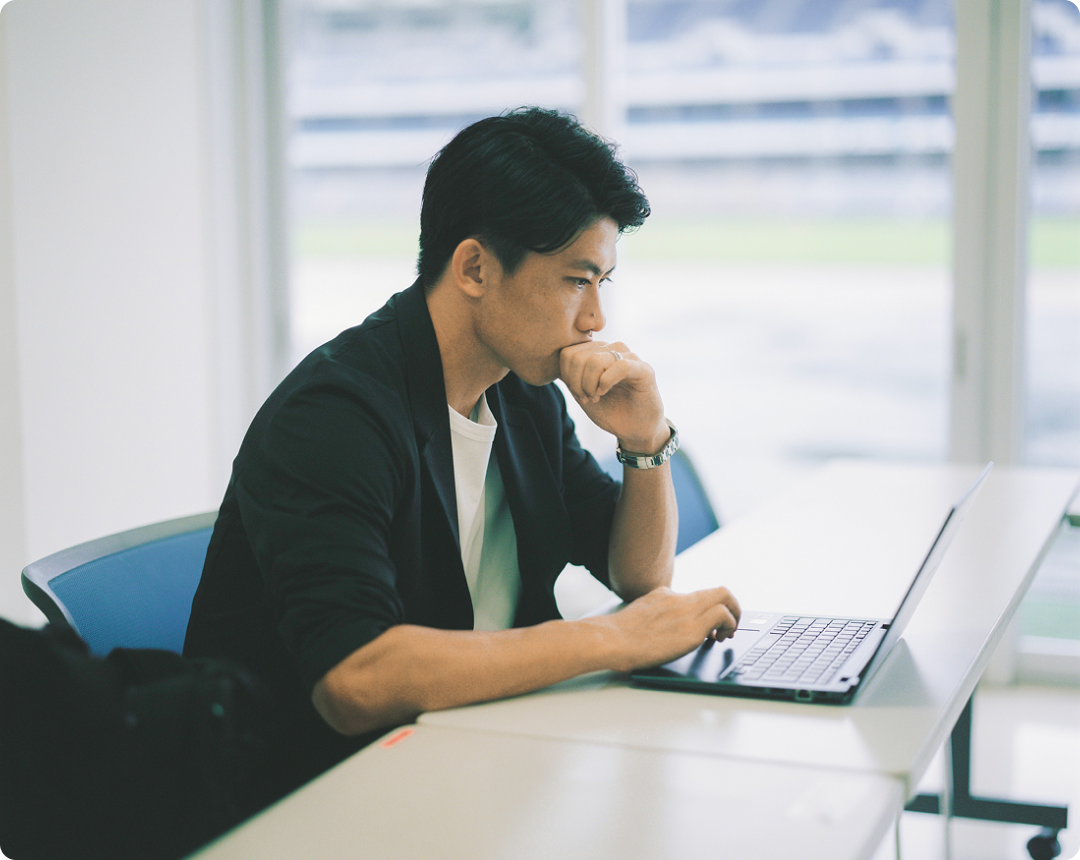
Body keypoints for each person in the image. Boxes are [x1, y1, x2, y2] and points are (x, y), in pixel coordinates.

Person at [183, 106, 741, 806]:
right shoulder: (333, 417)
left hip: (478, 761)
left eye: (604, 284)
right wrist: (613, 642)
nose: (596, 319)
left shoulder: (522, 390)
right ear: (475, 267)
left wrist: (643, 439)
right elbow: (356, 679)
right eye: (577, 280)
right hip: (322, 796)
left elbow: (638, 576)